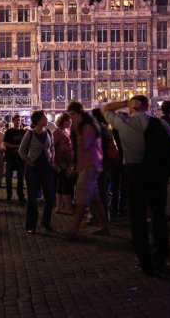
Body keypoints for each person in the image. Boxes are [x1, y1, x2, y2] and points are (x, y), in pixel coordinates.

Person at [101, 95, 170, 275]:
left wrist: (124, 102)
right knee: (159, 215)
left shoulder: (124, 122)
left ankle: (145, 261)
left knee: (137, 217)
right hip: (156, 174)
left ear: (131, 107)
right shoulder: (161, 124)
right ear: (148, 106)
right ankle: (161, 258)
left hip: (134, 173)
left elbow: (105, 109)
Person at [65, 102, 109, 239]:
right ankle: (104, 226)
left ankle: (74, 230)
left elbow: (84, 144)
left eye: (72, 114)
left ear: (79, 113)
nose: (71, 118)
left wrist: (77, 129)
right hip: (87, 164)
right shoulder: (84, 125)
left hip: (90, 165)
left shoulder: (88, 127)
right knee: (95, 199)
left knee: (81, 198)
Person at [19, 110, 56, 234]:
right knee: (32, 197)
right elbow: (22, 150)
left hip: (46, 168)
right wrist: (28, 161)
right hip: (33, 169)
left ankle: (46, 222)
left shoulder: (49, 132)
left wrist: (52, 159)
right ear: (38, 120)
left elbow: (52, 148)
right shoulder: (30, 134)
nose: (46, 119)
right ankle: (31, 225)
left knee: (50, 197)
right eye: (44, 117)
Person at [53, 113, 74, 215]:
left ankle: (59, 207)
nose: (70, 122)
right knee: (65, 184)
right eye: (68, 121)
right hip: (61, 162)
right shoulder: (57, 131)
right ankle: (67, 207)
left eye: (70, 121)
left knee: (61, 184)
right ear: (62, 121)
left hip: (66, 161)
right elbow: (52, 147)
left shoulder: (66, 131)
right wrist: (54, 162)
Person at [4, 115, 26, 204]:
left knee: (21, 178)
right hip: (10, 157)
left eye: (20, 120)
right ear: (13, 121)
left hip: (20, 158)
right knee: (8, 177)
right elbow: (5, 143)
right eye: (17, 120)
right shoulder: (9, 132)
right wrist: (17, 147)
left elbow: (26, 144)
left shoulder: (23, 132)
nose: (18, 121)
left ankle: (21, 195)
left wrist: (19, 149)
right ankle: (9, 195)